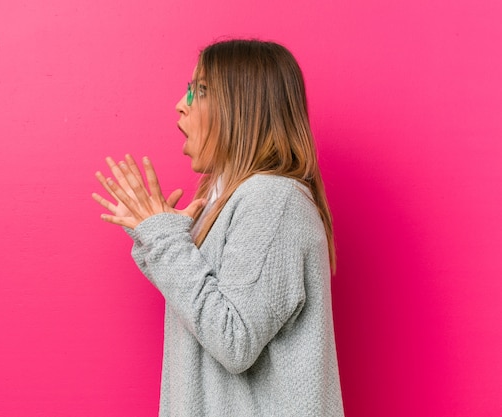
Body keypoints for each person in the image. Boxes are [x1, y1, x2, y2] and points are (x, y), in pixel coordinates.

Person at [92, 39, 344, 417]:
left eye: (201, 91)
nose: (182, 103)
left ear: (244, 108)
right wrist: (161, 237)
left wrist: (166, 242)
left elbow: (233, 339)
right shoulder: (233, 200)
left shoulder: (273, 200)